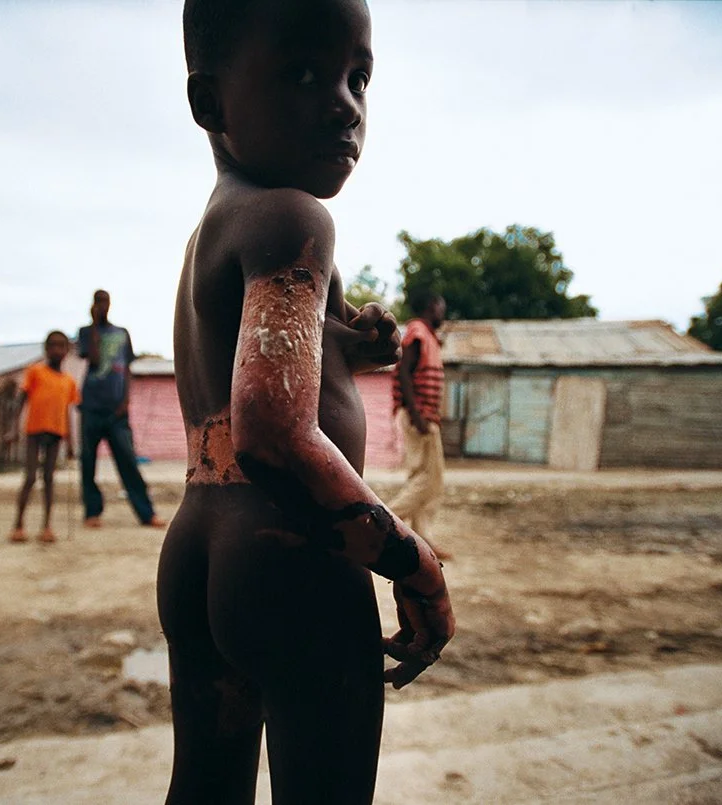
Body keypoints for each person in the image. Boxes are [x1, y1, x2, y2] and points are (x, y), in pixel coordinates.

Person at [158, 1, 454, 802]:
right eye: (302, 73)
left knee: (206, 785)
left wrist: (343, 344)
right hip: (290, 561)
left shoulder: (213, 232)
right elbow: (275, 433)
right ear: (210, 104)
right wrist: (413, 562)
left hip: (199, 547)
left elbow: (247, 371)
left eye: (358, 77)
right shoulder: (292, 217)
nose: (344, 103)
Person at [77, 289, 164, 528]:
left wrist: (126, 400)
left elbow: (126, 368)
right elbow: (93, 360)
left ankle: (147, 513)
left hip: (117, 410)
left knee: (128, 461)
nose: (102, 306)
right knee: (87, 463)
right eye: (98, 302)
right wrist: (94, 324)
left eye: (105, 302)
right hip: (91, 407)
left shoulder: (122, 333)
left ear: (110, 305)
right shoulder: (86, 332)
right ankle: (92, 512)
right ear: (93, 305)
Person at [389, 292, 451, 561]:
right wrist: (416, 415)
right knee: (428, 479)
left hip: (426, 416)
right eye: (441, 308)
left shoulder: (431, 337)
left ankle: (422, 537)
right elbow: (404, 370)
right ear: (431, 307)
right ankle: (386, 522)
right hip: (420, 417)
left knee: (426, 479)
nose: (443, 314)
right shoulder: (418, 331)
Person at [9, 331, 81, 544]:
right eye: (53, 346)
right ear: (46, 349)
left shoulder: (68, 382)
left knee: (49, 479)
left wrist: (70, 442)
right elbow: (21, 400)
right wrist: (14, 428)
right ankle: (18, 525)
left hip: (56, 434)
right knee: (30, 477)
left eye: (62, 346)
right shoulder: (35, 372)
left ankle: (46, 527)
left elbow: (67, 412)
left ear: (67, 351)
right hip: (34, 431)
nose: (57, 350)